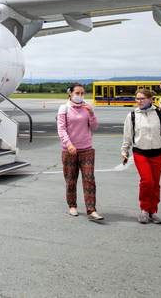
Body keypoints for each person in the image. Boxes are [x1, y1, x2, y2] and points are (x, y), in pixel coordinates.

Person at [121, 88, 161, 224]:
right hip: (140, 153)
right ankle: (144, 210)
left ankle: (153, 211)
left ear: (150, 99)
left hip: (158, 153)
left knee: (155, 183)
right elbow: (127, 135)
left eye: (142, 98)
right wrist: (124, 151)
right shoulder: (132, 115)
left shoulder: (160, 113)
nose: (139, 101)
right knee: (147, 181)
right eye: (137, 98)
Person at [56, 84, 104, 221]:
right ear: (70, 93)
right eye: (77, 93)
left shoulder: (87, 107)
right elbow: (61, 129)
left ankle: (91, 209)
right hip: (69, 150)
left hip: (86, 149)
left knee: (89, 179)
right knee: (71, 180)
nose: (80, 95)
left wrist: (91, 113)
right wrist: (69, 144)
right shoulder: (64, 108)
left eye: (82, 93)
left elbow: (94, 127)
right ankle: (72, 205)